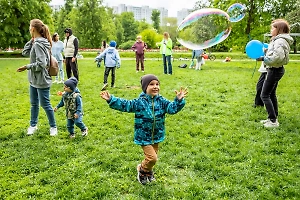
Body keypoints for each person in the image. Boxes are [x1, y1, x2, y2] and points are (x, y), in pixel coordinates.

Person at [100, 74, 188, 185]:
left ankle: (148, 171)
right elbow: (125, 104)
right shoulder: (139, 102)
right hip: (143, 135)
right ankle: (142, 170)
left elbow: (172, 109)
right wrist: (111, 99)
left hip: (157, 135)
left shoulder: (162, 101)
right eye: (151, 84)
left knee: (152, 158)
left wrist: (179, 100)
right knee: (152, 158)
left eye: (157, 84)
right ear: (145, 87)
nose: (155, 86)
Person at [16, 19, 57, 136]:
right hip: (34, 79)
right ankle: (33, 125)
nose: (29, 29)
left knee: (45, 104)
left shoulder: (39, 45)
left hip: (41, 79)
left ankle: (53, 127)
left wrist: (26, 66)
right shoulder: (37, 42)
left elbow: (41, 64)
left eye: (30, 27)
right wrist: (31, 41)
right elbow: (24, 52)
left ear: (33, 29)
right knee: (34, 103)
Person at [256, 19, 293, 128]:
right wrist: (266, 52)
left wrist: (264, 58)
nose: (271, 30)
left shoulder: (279, 41)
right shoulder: (278, 40)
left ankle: (272, 121)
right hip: (275, 69)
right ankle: (273, 116)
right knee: (271, 93)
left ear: (279, 30)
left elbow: (278, 57)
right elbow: (276, 53)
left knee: (264, 95)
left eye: (273, 28)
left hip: (274, 70)